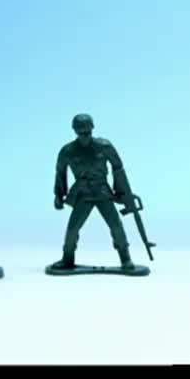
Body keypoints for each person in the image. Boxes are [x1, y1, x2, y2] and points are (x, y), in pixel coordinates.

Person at [50, 114, 136, 270]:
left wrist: (122, 193)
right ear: (75, 131)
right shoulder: (67, 151)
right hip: (82, 194)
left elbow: (118, 168)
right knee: (72, 229)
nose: (85, 135)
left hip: (102, 192)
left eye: (88, 131)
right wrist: (58, 195)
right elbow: (60, 173)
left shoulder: (104, 146)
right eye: (81, 132)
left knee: (116, 226)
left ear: (92, 128)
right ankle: (67, 259)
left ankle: (126, 258)